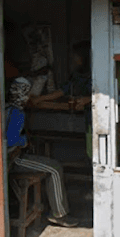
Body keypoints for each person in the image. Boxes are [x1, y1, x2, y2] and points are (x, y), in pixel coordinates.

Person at [6, 77, 79, 228]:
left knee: (51, 165)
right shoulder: (17, 113)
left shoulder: (5, 107)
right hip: (13, 158)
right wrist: (24, 140)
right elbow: (12, 141)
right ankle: (59, 215)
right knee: (55, 168)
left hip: (7, 158)